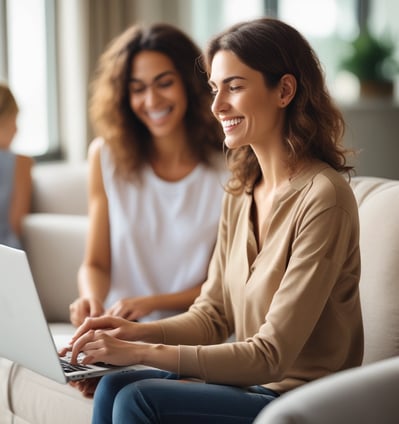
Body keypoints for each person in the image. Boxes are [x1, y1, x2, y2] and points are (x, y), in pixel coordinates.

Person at [63, 17, 363, 423]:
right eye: (213, 89)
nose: (217, 105)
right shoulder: (242, 189)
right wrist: (131, 331)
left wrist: (139, 352)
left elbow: (271, 356)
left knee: (139, 400)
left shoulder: (324, 199)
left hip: (303, 398)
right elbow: (213, 315)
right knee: (116, 384)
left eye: (234, 87)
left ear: (285, 91)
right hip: (251, 387)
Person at [68, 23, 227, 327]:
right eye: (138, 88)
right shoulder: (105, 156)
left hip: (192, 335)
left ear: (190, 84)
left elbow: (222, 286)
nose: (152, 101)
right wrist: (91, 298)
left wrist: (150, 304)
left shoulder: (229, 167)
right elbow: (96, 263)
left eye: (164, 83)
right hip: (118, 332)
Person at [0, 83, 33, 249]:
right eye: (14, 120)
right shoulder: (21, 163)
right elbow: (16, 225)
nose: (16, 130)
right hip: (6, 257)